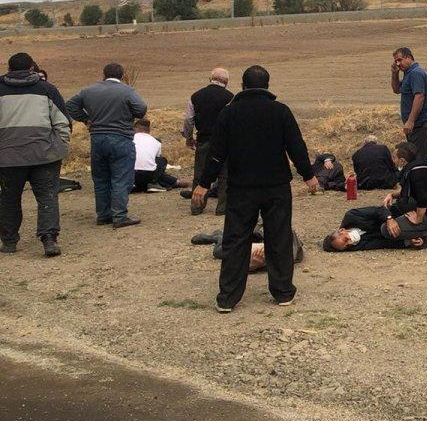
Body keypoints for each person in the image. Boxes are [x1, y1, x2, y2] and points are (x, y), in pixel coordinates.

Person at [192, 65, 318, 313]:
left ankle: (228, 297)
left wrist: (204, 184)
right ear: (268, 86)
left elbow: (216, 155)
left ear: (242, 86)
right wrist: (308, 176)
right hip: (276, 187)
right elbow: (296, 146)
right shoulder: (281, 111)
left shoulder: (229, 114)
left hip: (241, 188)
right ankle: (282, 292)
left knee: (235, 240)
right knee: (278, 237)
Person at [0, 53, 72, 256]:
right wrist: (61, 147)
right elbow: (63, 122)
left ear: (9, 68)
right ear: (32, 68)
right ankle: (49, 240)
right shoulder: (47, 89)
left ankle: (9, 242)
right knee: (47, 197)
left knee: (8, 199)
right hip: (45, 155)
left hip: (8, 158)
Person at [66, 62, 147, 228]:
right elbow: (141, 108)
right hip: (121, 138)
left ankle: (103, 215)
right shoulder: (126, 91)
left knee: (101, 178)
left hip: (97, 138)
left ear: (103, 74)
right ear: (122, 75)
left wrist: (86, 119)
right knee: (121, 177)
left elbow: (70, 105)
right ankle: (120, 216)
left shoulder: (89, 90)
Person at [182, 68, 233, 215]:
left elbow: (188, 120)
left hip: (203, 139)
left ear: (210, 79)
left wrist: (189, 137)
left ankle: (197, 206)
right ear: (226, 82)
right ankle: (222, 207)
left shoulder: (196, 96)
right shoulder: (231, 98)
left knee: (200, 173)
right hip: (224, 142)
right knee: (224, 174)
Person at [321, 205, 427, 252]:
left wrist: (389, 219)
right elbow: (383, 243)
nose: (350, 242)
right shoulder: (358, 245)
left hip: (399, 213)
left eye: (346, 239)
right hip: (400, 232)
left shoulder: (352, 216)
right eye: (346, 246)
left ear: (342, 230)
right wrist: (408, 242)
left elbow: (379, 210)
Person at [390, 47, 427, 162]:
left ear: (409, 57)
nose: (398, 64)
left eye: (400, 60)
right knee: (416, 157)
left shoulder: (416, 73)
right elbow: (396, 90)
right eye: (396, 61)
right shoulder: (408, 74)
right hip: (415, 126)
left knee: (419, 158)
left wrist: (410, 121)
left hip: (421, 124)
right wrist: (395, 74)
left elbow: (419, 97)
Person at [132, 119, 191, 193]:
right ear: (148, 130)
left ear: (135, 128)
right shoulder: (156, 142)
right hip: (149, 176)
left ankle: (132, 184)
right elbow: (155, 162)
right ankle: (153, 183)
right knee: (161, 160)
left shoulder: (129, 139)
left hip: (130, 175)